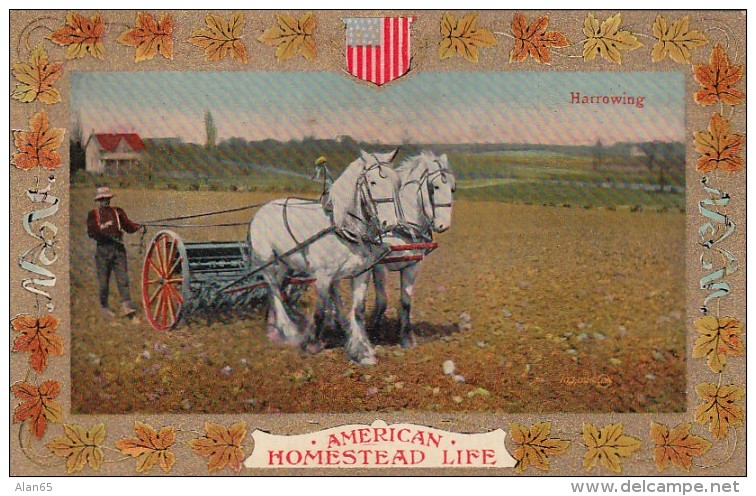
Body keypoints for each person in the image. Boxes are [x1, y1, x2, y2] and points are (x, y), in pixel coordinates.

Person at [86, 186, 142, 318]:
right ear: (99, 200)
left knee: (123, 279)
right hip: (103, 251)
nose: (105, 201)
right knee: (104, 283)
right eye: (102, 199)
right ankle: (104, 307)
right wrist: (102, 228)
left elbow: (128, 226)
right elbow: (91, 232)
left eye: (107, 199)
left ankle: (126, 307)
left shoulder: (118, 212)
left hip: (119, 250)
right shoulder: (93, 214)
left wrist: (137, 226)